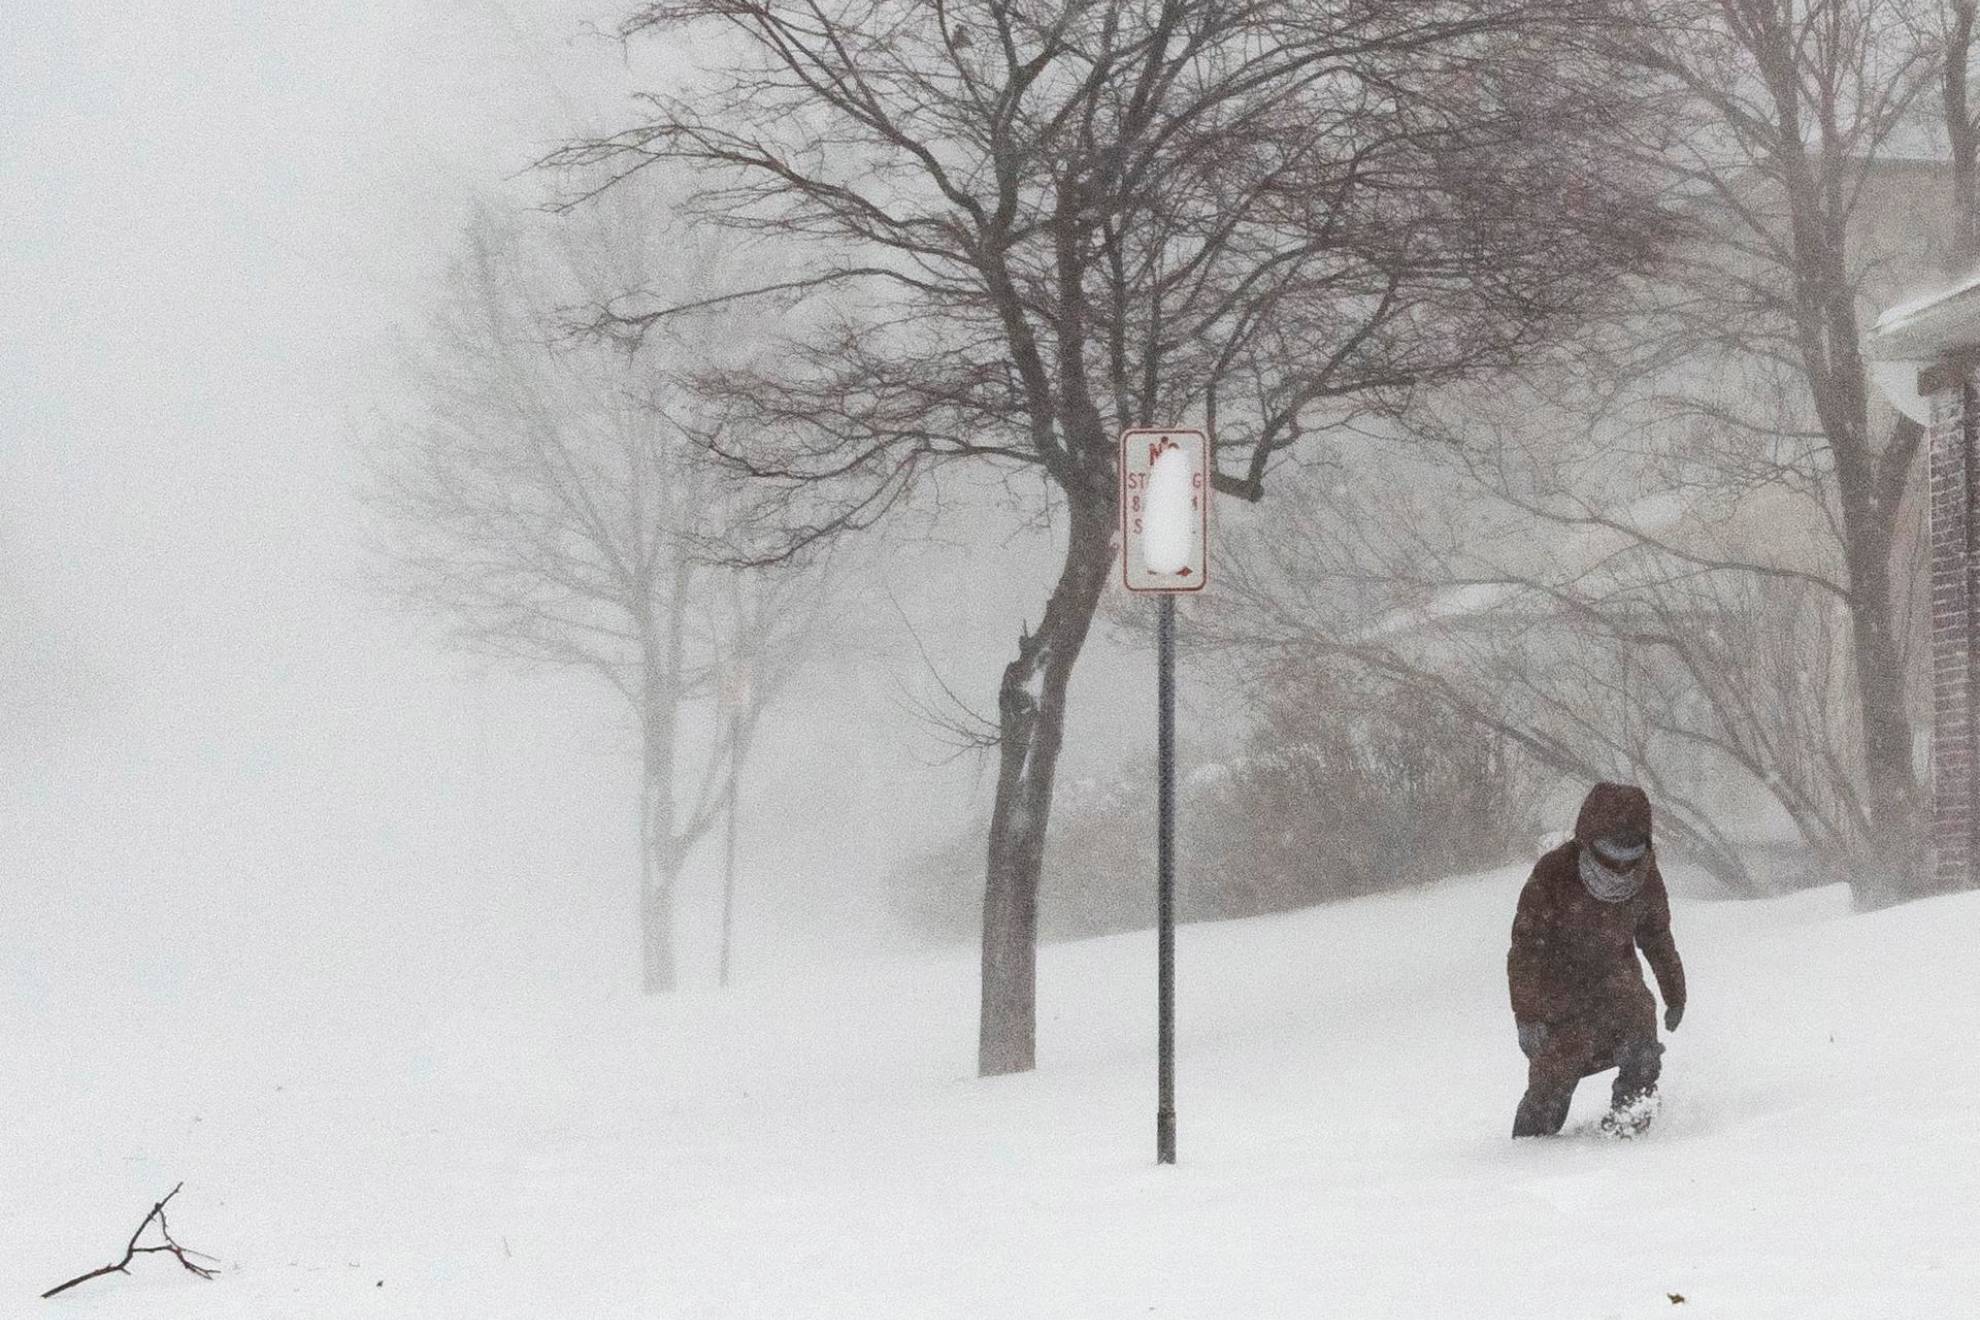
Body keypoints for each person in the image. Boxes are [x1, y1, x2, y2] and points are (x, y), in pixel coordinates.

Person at [1507, 781, 1686, 1138]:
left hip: (1620, 989)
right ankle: (1529, 1151)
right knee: (1551, 1086)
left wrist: (1674, 993)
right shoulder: (1554, 873)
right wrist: (1527, 1015)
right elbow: (1526, 949)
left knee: (1642, 1052)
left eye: (1631, 854)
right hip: (1560, 998)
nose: (1621, 866)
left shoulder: (1646, 875)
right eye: (1610, 852)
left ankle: (1631, 1127)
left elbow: (1656, 936)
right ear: (1588, 841)